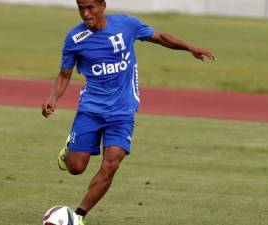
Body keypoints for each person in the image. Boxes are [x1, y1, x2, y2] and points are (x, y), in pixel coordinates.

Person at [42, 0, 216, 224]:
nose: (85, 14)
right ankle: (68, 151)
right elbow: (64, 75)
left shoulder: (127, 24)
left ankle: (79, 216)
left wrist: (189, 47)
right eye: (81, 8)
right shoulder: (74, 39)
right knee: (76, 167)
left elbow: (161, 37)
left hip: (123, 112)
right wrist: (53, 98)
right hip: (91, 110)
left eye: (90, 7)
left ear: (103, 5)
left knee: (112, 162)